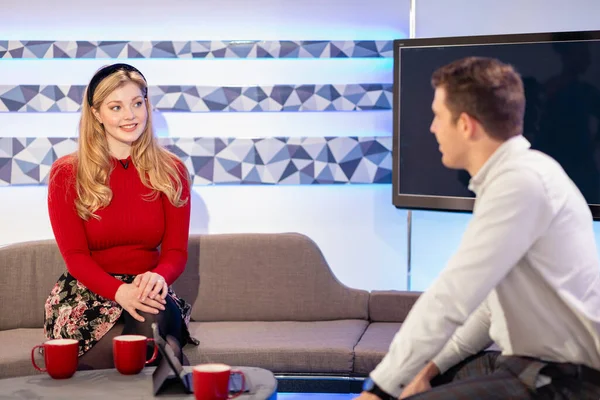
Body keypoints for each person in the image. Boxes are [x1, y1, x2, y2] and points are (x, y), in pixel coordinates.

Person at [357, 57, 600, 399]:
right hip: (524, 368)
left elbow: (452, 296)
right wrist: (425, 369)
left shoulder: (520, 183)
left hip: (563, 383)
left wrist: (378, 390)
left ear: (467, 125)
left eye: (438, 116)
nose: (432, 128)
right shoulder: (514, 177)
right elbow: (487, 307)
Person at [43, 63, 197, 370]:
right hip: (89, 292)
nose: (130, 116)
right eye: (116, 107)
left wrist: (159, 276)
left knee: (150, 315)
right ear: (97, 113)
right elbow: (75, 256)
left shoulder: (171, 170)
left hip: (148, 288)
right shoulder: (67, 173)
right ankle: (168, 366)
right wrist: (118, 291)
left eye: (137, 103)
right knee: (143, 350)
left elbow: (176, 252)